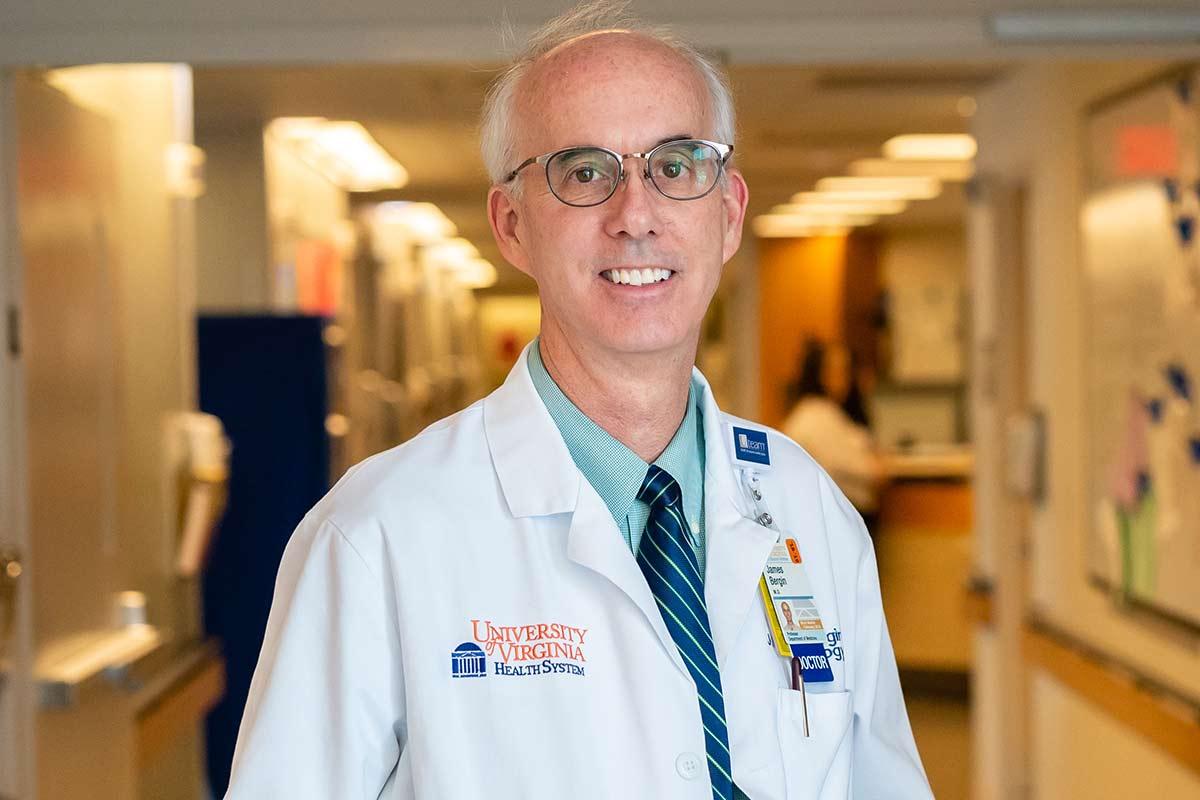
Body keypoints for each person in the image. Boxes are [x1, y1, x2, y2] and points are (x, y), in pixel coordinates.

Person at [224, 3, 931, 798]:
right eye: (585, 172)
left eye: (676, 165)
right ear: (513, 224)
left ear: (727, 213)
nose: (637, 216)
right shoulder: (376, 537)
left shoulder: (810, 510)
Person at [781, 338, 886, 519]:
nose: (841, 378)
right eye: (833, 370)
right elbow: (869, 470)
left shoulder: (833, 413)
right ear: (817, 372)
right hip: (831, 517)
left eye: (845, 370)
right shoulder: (814, 414)